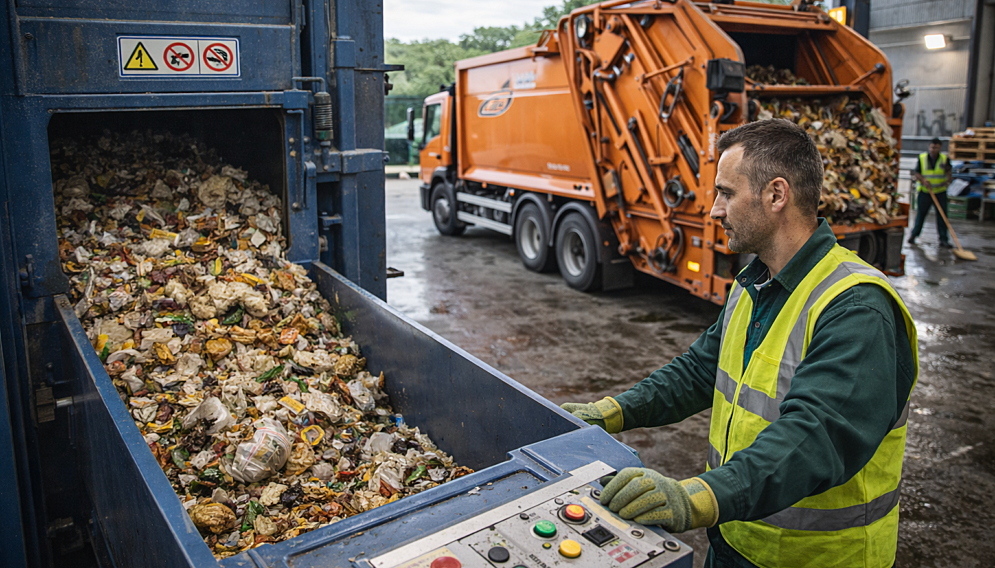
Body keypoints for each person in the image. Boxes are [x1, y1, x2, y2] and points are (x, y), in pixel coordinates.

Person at [562, 119, 918, 568]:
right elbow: (699, 371)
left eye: (726, 193)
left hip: (814, 559)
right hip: (733, 537)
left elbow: (815, 438)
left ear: (776, 195)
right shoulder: (756, 282)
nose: (714, 210)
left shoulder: (856, 308)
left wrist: (695, 498)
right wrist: (607, 413)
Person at [907, 137, 953, 247]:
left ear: (940, 148)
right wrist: (923, 180)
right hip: (925, 192)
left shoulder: (944, 159)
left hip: (940, 192)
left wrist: (948, 181)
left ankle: (943, 239)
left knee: (942, 216)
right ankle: (914, 235)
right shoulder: (922, 158)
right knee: (921, 214)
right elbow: (917, 173)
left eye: (936, 148)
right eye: (932, 147)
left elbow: (949, 172)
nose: (933, 150)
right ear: (929, 147)